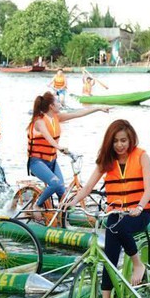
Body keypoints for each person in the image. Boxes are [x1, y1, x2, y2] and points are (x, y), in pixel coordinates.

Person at [65, 119, 150, 298]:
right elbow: (88, 187)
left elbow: (148, 190)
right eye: (115, 141)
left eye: (123, 140)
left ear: (130, 138)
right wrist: (71, 202)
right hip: (116, 214)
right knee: (109, 256)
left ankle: (137, 264)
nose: (120, 145)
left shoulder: (142, 156)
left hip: (141, 212)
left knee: (119, 226)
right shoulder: (106, 160)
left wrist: (140, 207)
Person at [26, 91, 110, 220]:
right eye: (57, 102)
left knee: (62, 190)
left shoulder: (57, 117)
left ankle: (62, 218)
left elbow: (78, 114)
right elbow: (49, 138)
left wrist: (98, 108)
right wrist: (59, 147)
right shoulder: (39, 121)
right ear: (51, 106)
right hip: (37, 162)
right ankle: (37, 205)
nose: (60, 104)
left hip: (52, 161)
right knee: (55, 183)